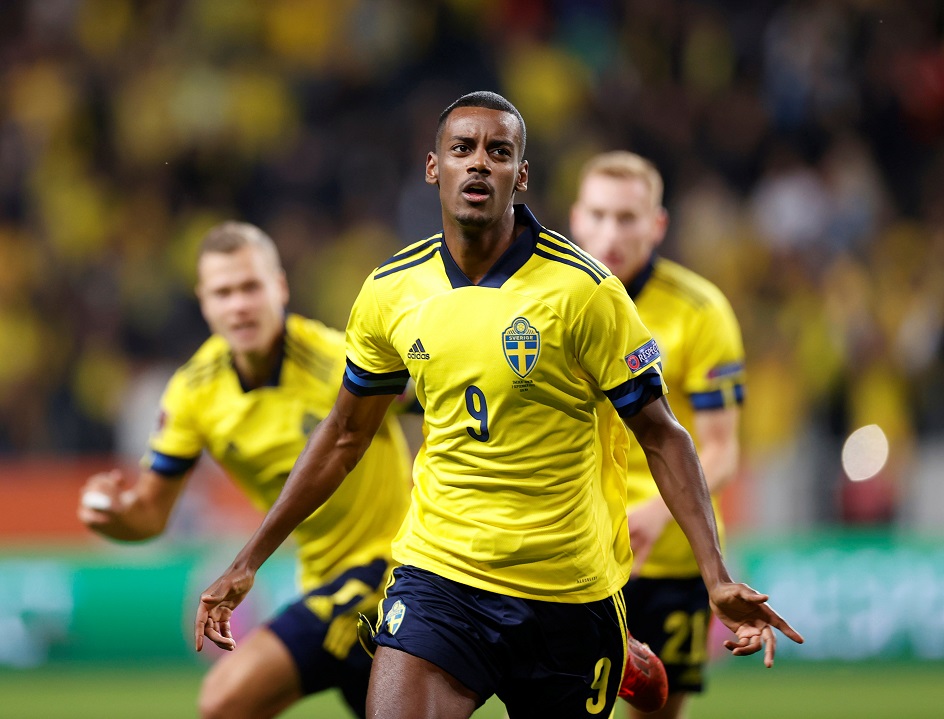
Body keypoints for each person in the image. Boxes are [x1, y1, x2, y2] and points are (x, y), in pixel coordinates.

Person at [195, 91, 803, 719]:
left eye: (498, 151)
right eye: (462, 149)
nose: (479, 164)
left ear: (521, 174)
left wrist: (715, 576)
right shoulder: (390, 293)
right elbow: (345, 436)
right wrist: (247, 563)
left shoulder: (586, 292)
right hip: (440, 576)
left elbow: (663, 436)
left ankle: (616, 647)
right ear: (434, 168)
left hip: (567, 594)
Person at [78, 221, 412, 719]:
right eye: (223, 292)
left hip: (389, 571)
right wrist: (111, 516)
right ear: (204, 302)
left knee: (224, 700)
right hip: (320, 578)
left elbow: (436, 398)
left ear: (279, 287)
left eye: (251, 287)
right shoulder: (194, 392)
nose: (239, 305)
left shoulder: (336, 359)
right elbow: (150, 514)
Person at [571, 151, 746, 719]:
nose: (610, 233)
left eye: (627, 218)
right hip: (576, 555)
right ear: (575, 218)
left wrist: (656, 513)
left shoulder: (701, 311)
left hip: (669, 560)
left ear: (657, 224)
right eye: (598, 215)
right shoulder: (548, 304)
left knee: (657, 712)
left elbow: (721, 449)